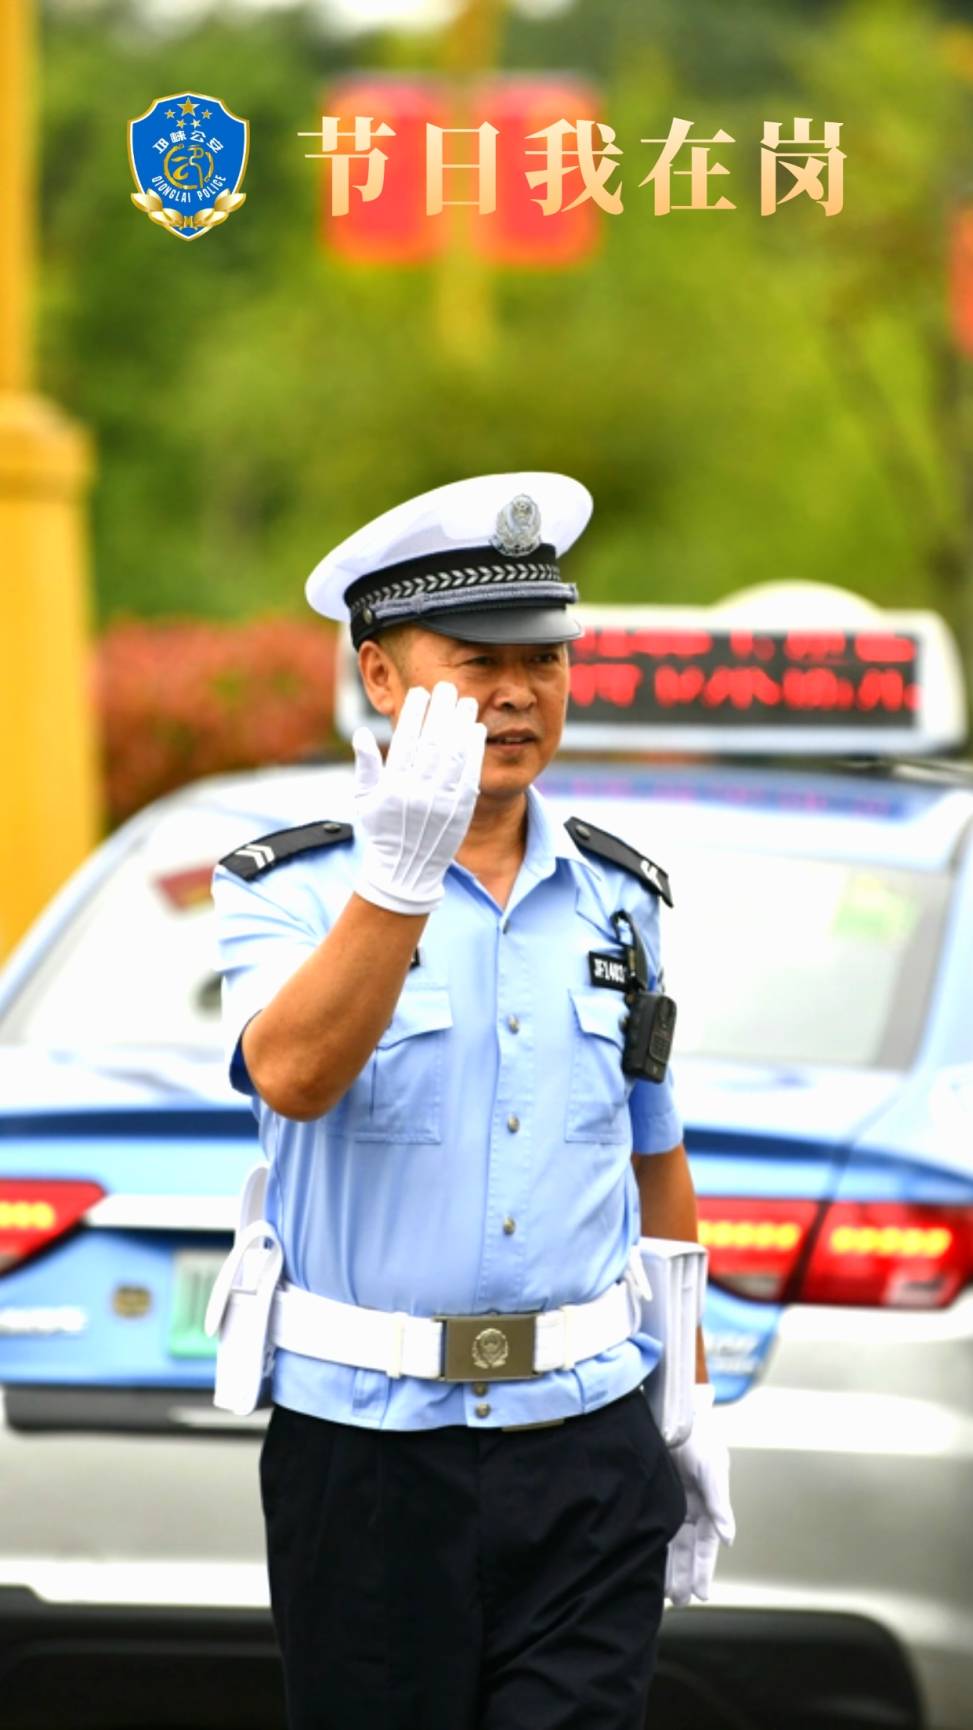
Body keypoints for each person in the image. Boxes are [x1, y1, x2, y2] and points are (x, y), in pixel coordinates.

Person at [211, 472, 735, 1730]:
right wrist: (398, 879)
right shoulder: (290, 887)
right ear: (381, 675)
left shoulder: (619, 897)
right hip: (372, 1458)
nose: (516, 690)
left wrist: (687, 1402)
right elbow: (292, 1074)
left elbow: (653, 1156)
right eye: (477, 659)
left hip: (586, 1443)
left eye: (542, 658)